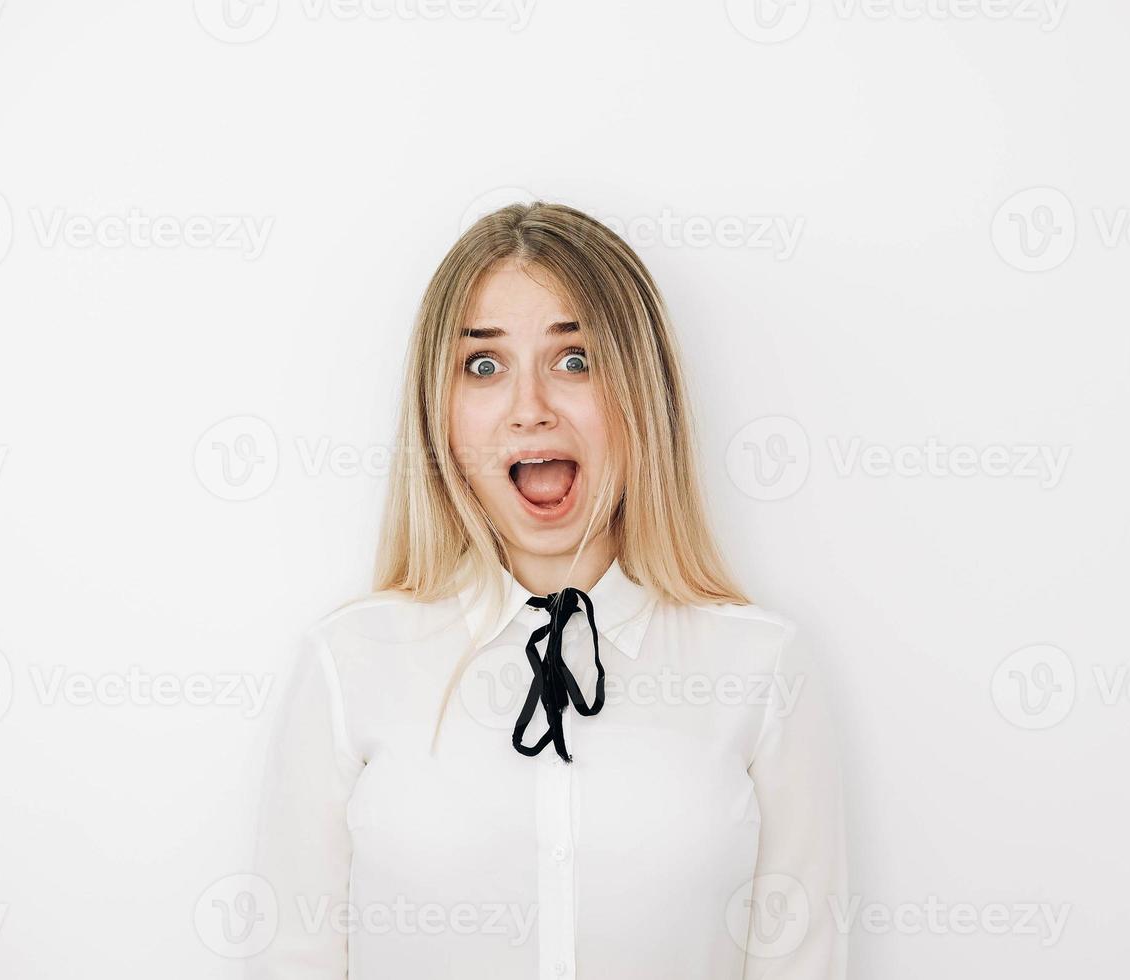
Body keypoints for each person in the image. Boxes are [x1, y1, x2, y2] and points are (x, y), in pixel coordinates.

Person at [245, 202, 847, 979]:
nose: (530, 409)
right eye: (484, 366)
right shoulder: (348, 665)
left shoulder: (764, 669)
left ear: (643, 394)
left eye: (575, 360)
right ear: (441, 416)